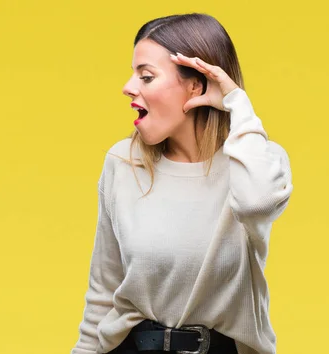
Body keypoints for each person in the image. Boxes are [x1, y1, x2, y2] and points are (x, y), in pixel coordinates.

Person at [71, 13, 293, 354]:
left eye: (146, 76)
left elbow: (257, 203)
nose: (128, 87)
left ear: (196, 86)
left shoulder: (257, 161)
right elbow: (103, 290)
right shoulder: (122, 162)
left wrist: (237, 104)